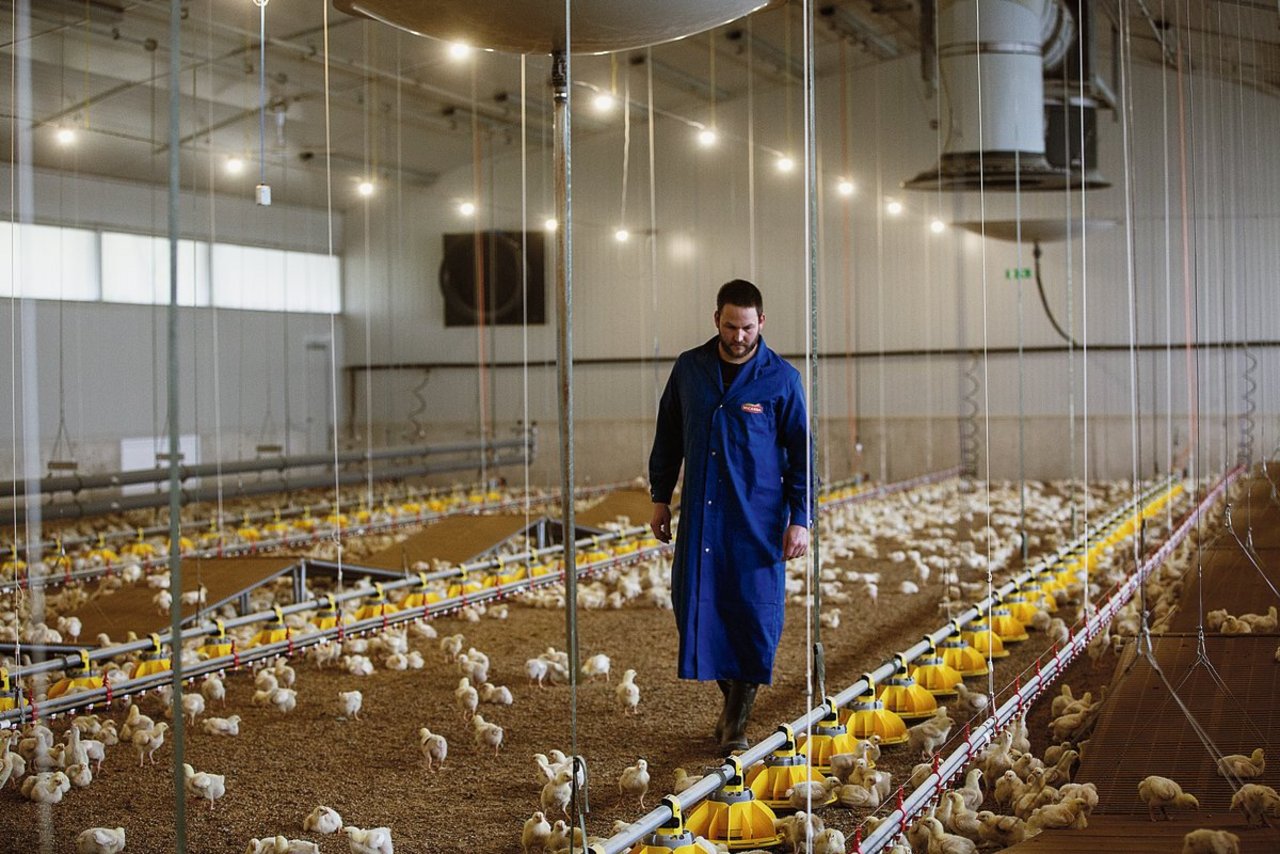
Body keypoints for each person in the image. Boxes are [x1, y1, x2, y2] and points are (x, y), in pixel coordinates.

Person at [648, 278, 811, 753]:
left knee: (754, 615)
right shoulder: (690, 369)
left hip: (757, 519)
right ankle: (732, 705)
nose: (738, 336)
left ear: (762, 322)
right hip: (702, 516)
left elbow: (802, 454)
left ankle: (735, 722)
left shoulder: (782, 379)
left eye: (747, 328)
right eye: (729, 326)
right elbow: (668, 435)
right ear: (716, 320)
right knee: (695, 606)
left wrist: (801, 518)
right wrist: (660, 496)